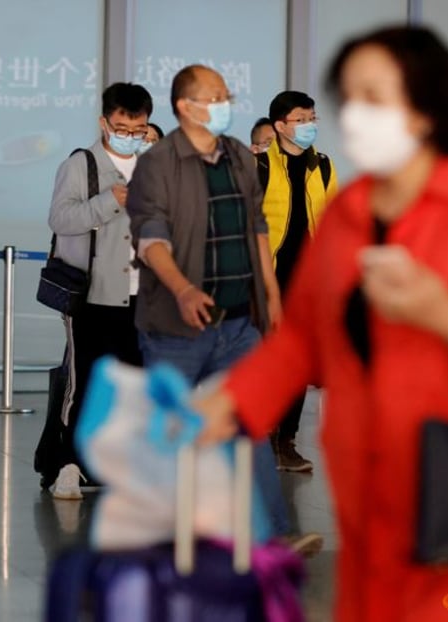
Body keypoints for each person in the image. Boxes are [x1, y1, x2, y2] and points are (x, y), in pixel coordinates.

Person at [195, 26, 448, 622]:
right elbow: (303, 337)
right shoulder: (350, 211)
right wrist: (233, 403)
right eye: (350, 97)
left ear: (430, 106)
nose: (356, 115)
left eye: (377, 96)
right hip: (364, 482)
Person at [125, 65, 305, 543]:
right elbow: (150, 238)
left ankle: (269, 537)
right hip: (175, 327)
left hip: (238, 324)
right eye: (214, 96)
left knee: (249, 424)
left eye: (227, 96)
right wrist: (182, 289)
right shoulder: (157, 164)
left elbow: (257, 226)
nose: (225, 104)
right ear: (185, 107)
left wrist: (271, 294)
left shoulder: (241, 157)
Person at [46, 82, 152, 499]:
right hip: (92, 295)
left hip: (144, 296)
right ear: (104, 122)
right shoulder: (81, 165)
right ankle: (68, 465)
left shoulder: (154, 165)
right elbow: (60, 218)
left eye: (138, 129)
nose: (130, 136)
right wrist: (110, 200)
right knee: (85, 383)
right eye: (122, 128)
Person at [260, 91, 338, 472]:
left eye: (312, 118)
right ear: (280, 126)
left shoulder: (322, 166)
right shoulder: (259, 165)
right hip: (266, 279)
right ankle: (260, 437)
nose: (309, 126)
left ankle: (285, 441)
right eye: (300, 120)